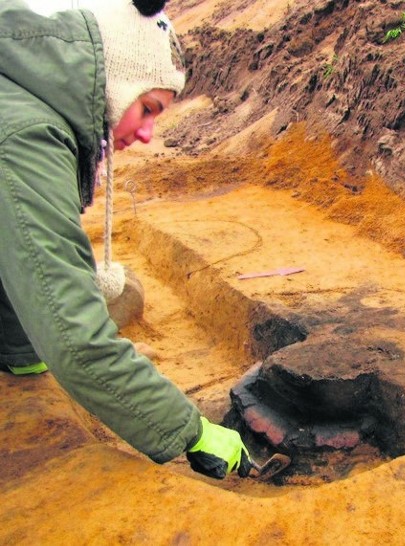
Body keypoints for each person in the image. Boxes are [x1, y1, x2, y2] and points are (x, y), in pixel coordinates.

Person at [0, 0, 252, 480]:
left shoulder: (20, 96)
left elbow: (14, 245)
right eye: (148, 108)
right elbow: (75, 338)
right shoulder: (25, 134)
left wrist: (22, 352)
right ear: (113, 84)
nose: (148, 133)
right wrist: (191, 432)